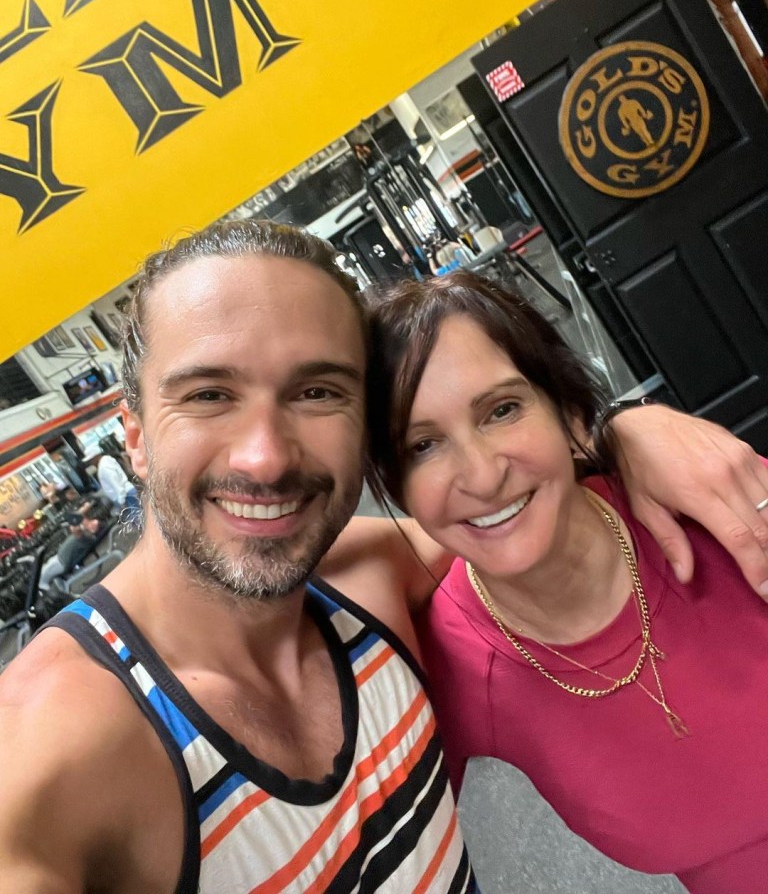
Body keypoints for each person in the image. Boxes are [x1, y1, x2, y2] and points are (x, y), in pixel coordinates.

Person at [0, 221, 765, 893]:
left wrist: (628, 431)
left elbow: (514, 508)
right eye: (208, 395)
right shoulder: (56, 740)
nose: (265, 457)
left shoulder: (374, 589)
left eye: (316, 392)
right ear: (132, 433)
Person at [359, 270, 768, 892]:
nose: (481, 473)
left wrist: (630, 421)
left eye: (502, 410)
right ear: (395, 488)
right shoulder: (448, 667)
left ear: (570, 413)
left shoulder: (717, 512)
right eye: (422, 446)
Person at [39, 515, 102, 589]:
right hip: (59, 558)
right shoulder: (85, 534)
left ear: (94, 530)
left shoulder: (87, 537)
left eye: (93, 525)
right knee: (45, 569)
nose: (90, 524)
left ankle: (42, 586)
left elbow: (75, 529)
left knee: (44, 574)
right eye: (92, 522)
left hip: (61, 562)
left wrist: (81, 523)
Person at [95, 446, 140, 520]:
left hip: (126, 496)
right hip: (127, 493)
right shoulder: (108, 460)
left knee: (138, 520)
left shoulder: (104, 466)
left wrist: (122, 501)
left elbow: (115, 482)